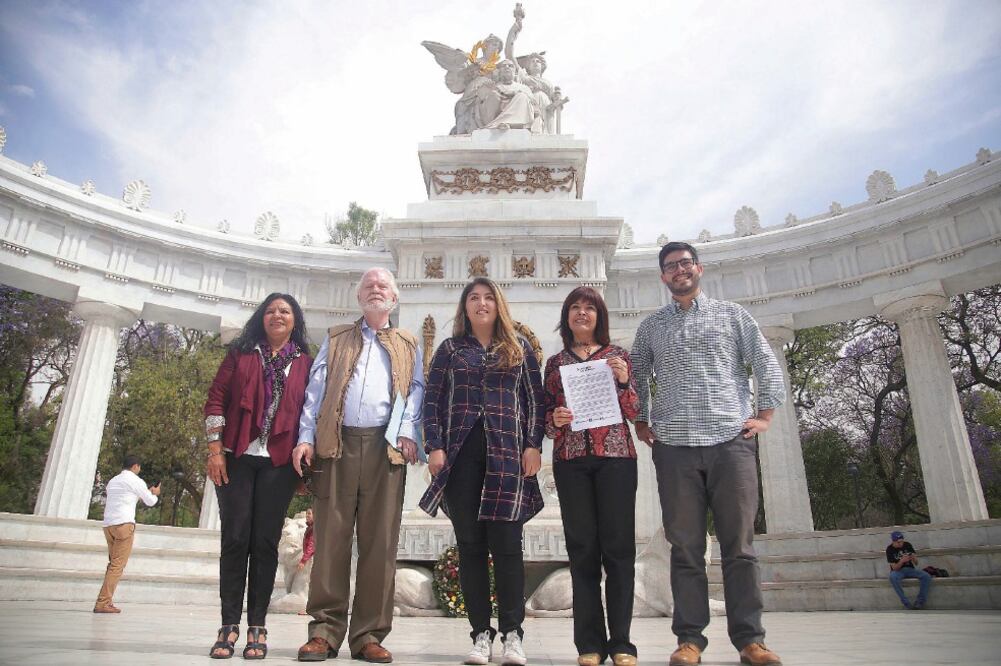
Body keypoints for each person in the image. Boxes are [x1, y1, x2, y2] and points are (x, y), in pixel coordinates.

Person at [631, 242, 786, 666]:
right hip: (675, 449)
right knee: (685, 549)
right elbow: (637, 376)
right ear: (663, 277)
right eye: (671, 267)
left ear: (698, 268)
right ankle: (690, 640)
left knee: (740, 546)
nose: (679, 271)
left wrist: (765, 416)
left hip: (729, 443)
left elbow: (765, 364)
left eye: (685, 263)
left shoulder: (734, 316)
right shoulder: (651, 328)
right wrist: (642, 422)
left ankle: (750, 640)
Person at [293, 267, 424, 664]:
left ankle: (368, 634)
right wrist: (305, 437)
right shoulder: (336, 339)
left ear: (394, 298)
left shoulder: (408, 343)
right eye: (369, 285)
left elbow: (415, 391)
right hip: (337, 443)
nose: (375, 290)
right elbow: (315, 392)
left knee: (380, 544)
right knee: (331, 538)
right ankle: (324, 631)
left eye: (383, 285)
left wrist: (408, 431)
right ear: (358, 297)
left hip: (385, 449)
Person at [419, 277, 545, 666]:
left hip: (507, 456)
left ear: (499, 304)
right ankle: (479, 635)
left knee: (508, 548)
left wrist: (533, 445)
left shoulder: (518, 348)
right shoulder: (450, 349)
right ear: (465, 307)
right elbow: (432, 399)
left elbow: (535, 401)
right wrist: (434, 446)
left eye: (488, 297)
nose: (481, 303)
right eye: (473, 297)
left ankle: (512, 635)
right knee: (471, 548)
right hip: (461, 459)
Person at [204, 292, 313, 659]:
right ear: (261, 318)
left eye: (284, 311)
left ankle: (257, 627)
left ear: (295, 320)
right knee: (235, 539)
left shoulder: (305, 363)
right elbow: (216, 397)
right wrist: (215, 449)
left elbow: (308, 414)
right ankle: (228, 625)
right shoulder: (241, 353)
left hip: (279, 463)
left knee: (265, 544)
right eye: (270, 311)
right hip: (236, 456)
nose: (277, 316)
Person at [543, 287, 639, 666]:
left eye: (589, 308)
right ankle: (589, 644)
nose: (582, 314)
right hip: (571, 461)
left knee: (618, 551)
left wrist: (624, 382)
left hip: (616, 458)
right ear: (567, 317)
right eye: (575, 308)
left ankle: (622, 643)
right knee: (581, 550)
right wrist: (555, 419)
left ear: (600, 315)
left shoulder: (619, 357)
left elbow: (635, 411)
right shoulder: (555, 364)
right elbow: (545, 421)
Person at [93, 454, 160, 614]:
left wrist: (146, 492)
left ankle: (105, 600)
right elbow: (150, 501)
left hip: (109, 525)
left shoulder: (113, 481)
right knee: (117, 566)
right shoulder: (135, 480)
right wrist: (155, 493)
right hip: (124, 525)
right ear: (136, 466)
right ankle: (103, 602)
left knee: (112, 564)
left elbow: (126, 498)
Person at [886, 530, 932, 609]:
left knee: (926, 576)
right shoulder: (889, 549)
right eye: (898, 542)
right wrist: (902, 561)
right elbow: (894, 568)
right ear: (893, 542)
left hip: (910, 569)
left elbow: (916, 563)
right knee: (892, 577)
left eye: (902, 541)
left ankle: (920, 601)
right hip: (898, 571)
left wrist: (913, 558)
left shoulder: (907, 545)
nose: (901, 544)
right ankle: (905, 602)